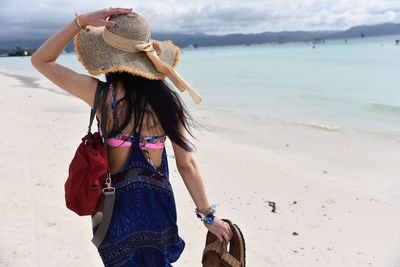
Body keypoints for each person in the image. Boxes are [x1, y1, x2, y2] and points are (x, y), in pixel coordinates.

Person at [31, 7, 233, 266]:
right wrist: (208, 218)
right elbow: (187, 165)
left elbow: (41, 60)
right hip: (158, 212)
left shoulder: (103, 96)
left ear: (109, 58)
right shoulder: (169, 104)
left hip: (116, 215)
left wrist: (79, 23)